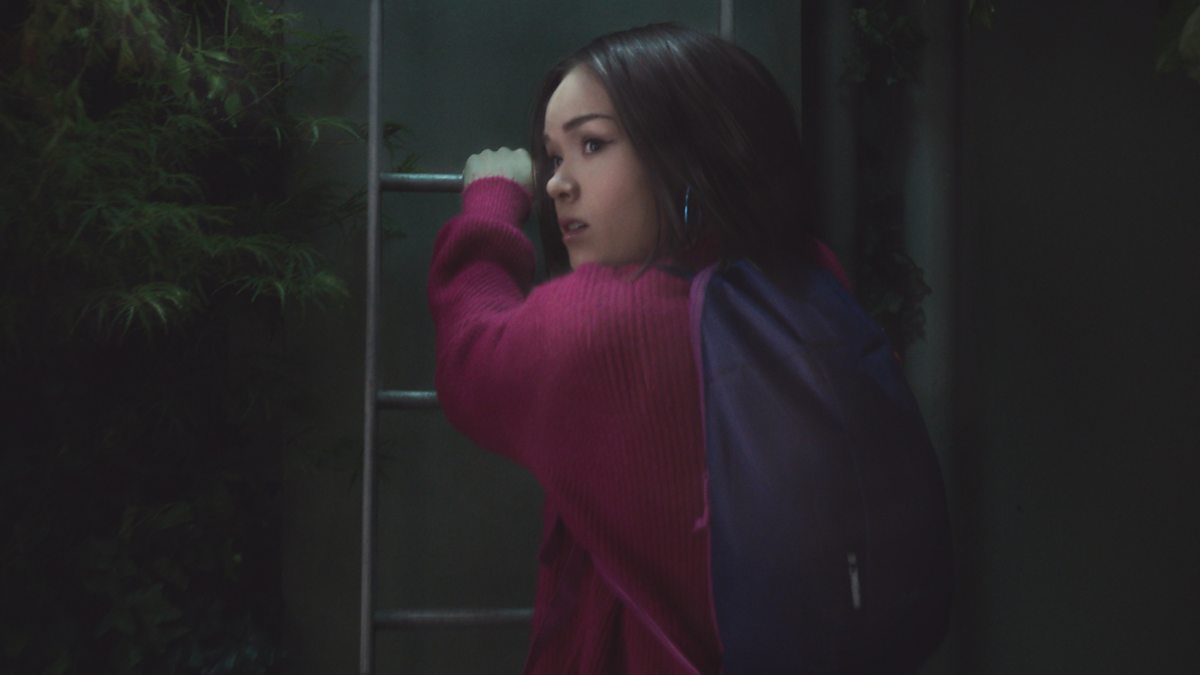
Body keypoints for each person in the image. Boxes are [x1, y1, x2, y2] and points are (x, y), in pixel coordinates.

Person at [427, 23, 849, 674]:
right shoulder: (814, 282)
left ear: (690, 155)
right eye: (552, 157)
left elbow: (470, 360)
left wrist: (488, 209)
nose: (556, 184)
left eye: (592, 144)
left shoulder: (604, 322)